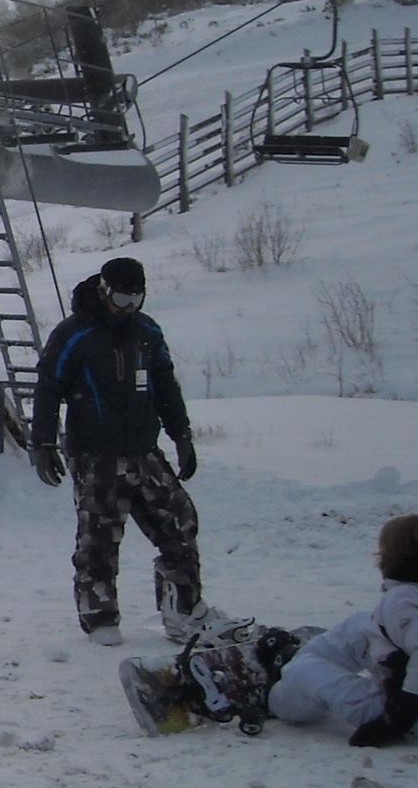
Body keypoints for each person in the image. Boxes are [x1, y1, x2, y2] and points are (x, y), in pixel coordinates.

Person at [30, 256, 245, 648]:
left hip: (144, 450)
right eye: (121, 299)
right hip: (95, 453)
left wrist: (181, 435)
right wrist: (42, 442)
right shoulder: (74, 334)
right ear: (104, 290)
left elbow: (166, 385)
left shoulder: (147, 332)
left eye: (136, 299)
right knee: (99, 536)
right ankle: (99, 617)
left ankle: (183, 609)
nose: (128, 307)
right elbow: (48, 385)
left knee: (179, 520)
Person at [269, 514, 418, 746]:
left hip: (399, 710)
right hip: (401, 695)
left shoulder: (402, 601)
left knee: (305, 671)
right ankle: (294, 659)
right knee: (362, 625)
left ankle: (270, 695)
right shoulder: (405, 596)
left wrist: (395, 720)